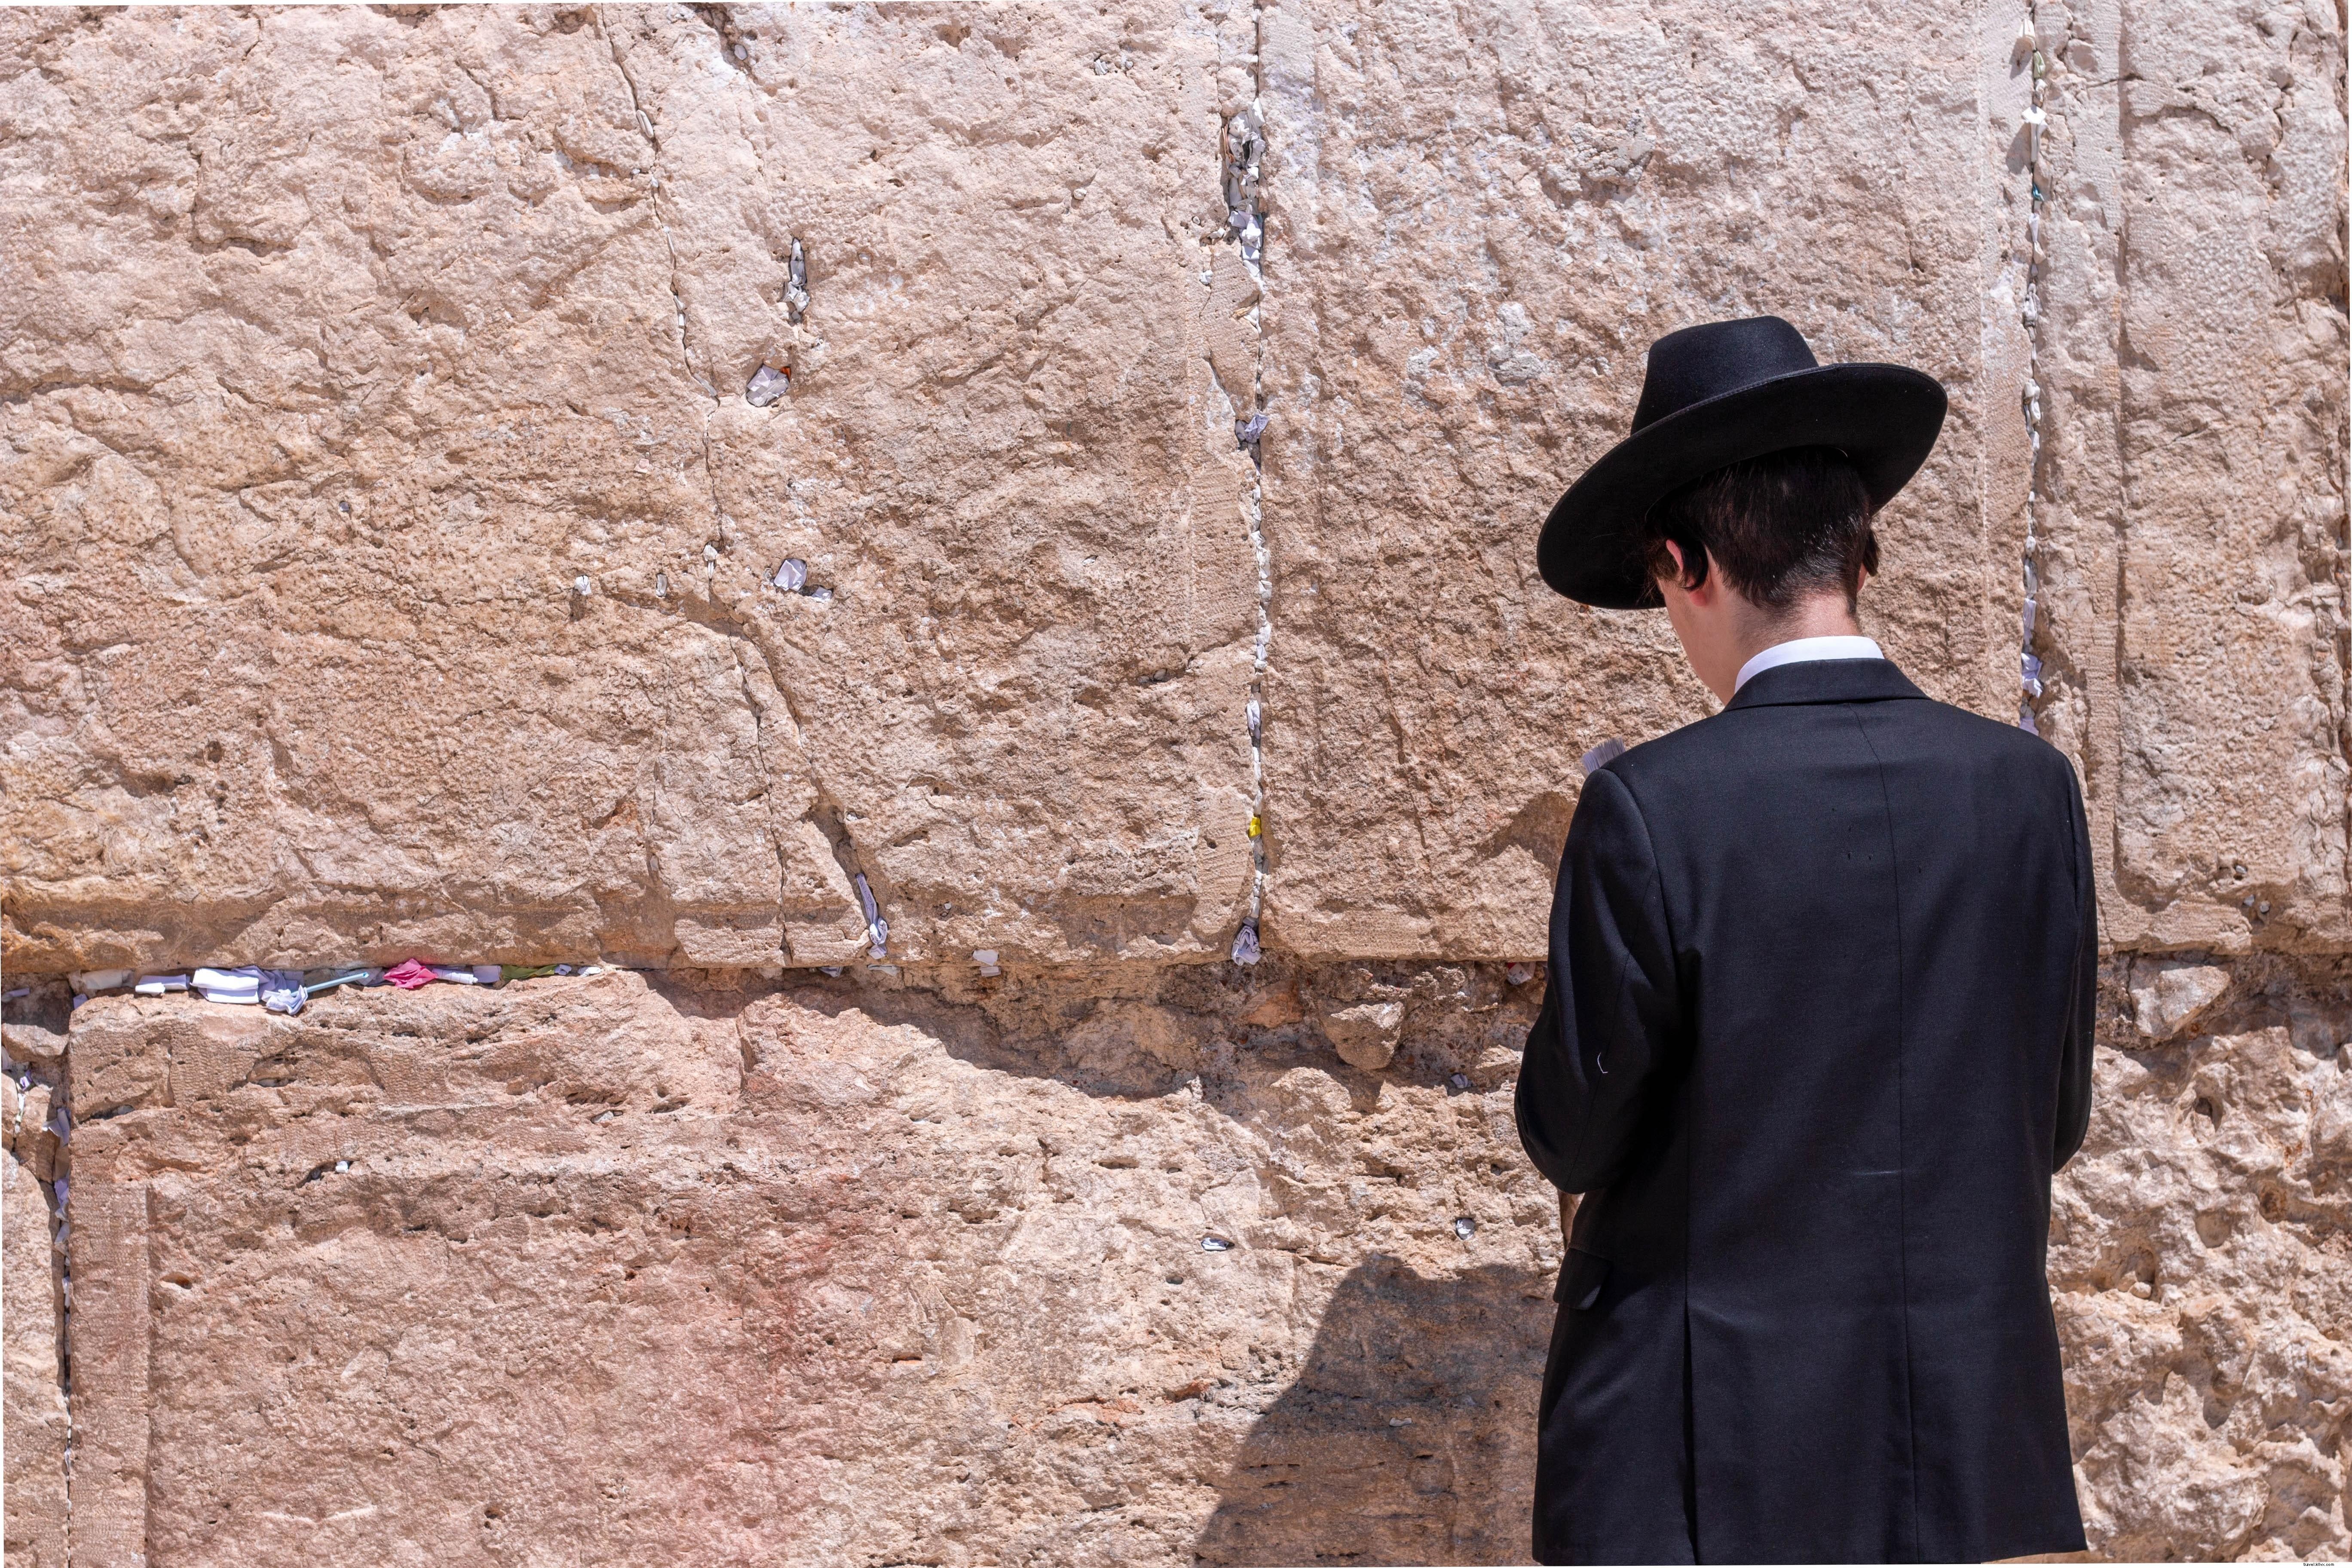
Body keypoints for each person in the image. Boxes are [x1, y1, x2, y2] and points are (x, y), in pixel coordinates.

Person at [1516, 316, 2095, 1565]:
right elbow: (2048, 1121)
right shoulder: (2028, 789)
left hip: (1697, 1463)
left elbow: (1572, 1132)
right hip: (1956, 1457)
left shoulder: (1652, 806)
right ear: (1861, 560)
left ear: (1684, 564)